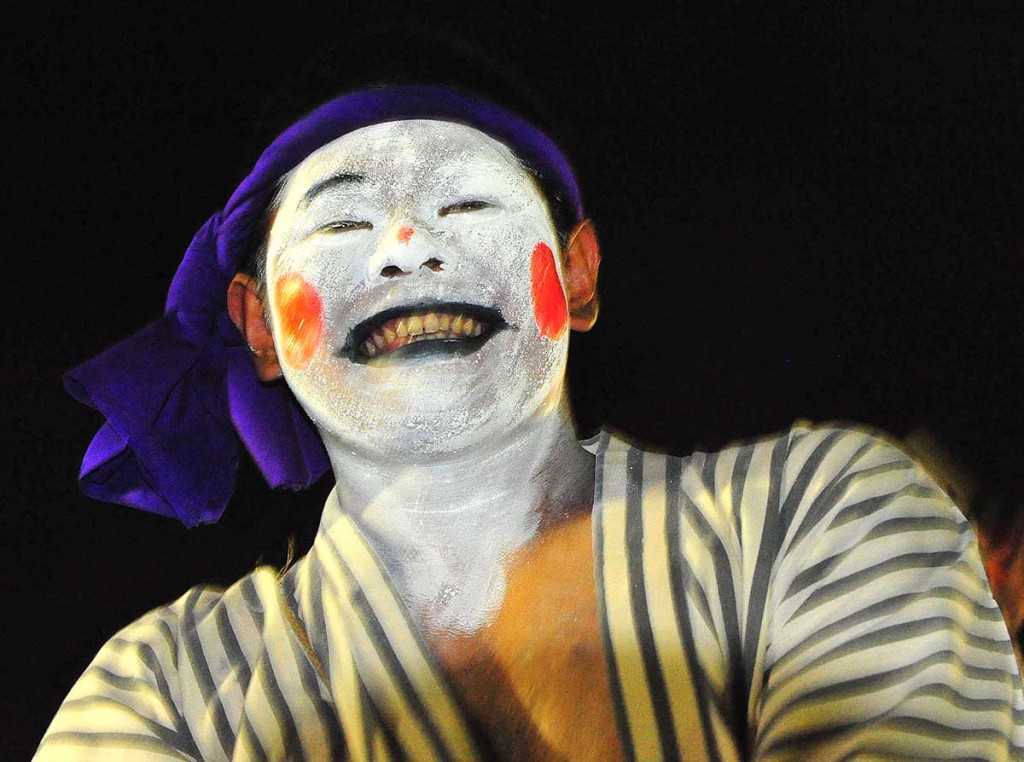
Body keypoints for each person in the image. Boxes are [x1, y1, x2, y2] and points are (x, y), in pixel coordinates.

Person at [36, 82, 1024, 761]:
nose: (409, 249)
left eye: (467, 204)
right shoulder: (165, 689)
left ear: (579, 270)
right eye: (342, 223)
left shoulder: (825, 520)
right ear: (258, 325)